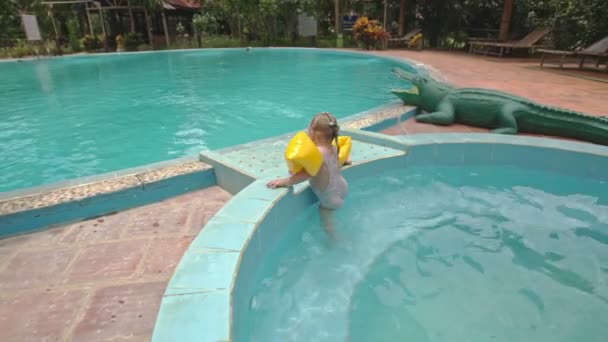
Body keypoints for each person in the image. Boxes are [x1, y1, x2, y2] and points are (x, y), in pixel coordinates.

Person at [267, 112, 350, 239]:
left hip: (329, 199)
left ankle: (337, 241)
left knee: (327, 222)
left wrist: (285, 181)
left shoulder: (317, 154)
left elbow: (306, 174)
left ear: (313, 132)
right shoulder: (333, 147)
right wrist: (346, 160)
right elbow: (335, 162)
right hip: (342, 187)